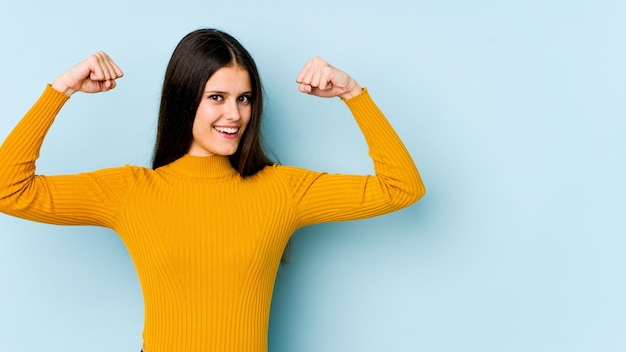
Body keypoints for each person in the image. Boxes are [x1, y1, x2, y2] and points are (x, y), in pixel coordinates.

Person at [0, 28, 425, 351]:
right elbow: (8, 190)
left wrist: (353, 93)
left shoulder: (282, 189)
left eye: (244, 99)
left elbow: (402, 188)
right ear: (186, 100)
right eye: (216, 97)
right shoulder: (132, 191)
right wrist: (61, 90)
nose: (235, 114)